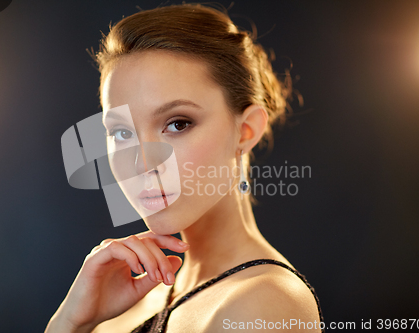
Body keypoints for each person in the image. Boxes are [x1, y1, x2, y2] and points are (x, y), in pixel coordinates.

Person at [45, 3, 324, 333]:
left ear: (246, 130)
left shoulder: (264, 305)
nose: (142, 163)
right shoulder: (132, 298)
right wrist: (72, 321)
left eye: (177, 124)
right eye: (121, 133)